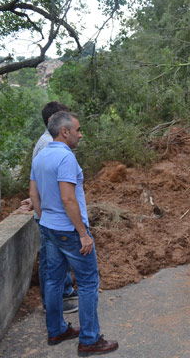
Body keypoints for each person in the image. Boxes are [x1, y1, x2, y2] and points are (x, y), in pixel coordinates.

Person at [30, 111, 118, 356]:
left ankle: (56, 330)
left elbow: (34, 195)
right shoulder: (66, 158)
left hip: (49, 227)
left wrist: (46, 219)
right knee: (89, 282)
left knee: (54, 280)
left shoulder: (40, 157)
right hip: (69, 230)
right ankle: (89, 339)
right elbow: (68, 199)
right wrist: (83, 233)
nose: (81, 135)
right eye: (78, 130)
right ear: (64, 132)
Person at [22, 101, 79, 314]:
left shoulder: (48, 143)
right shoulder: (50, 146)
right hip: (52, 215)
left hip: (48, 214)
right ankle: (56, 302)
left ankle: (64, 293)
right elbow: (62, 193)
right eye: (64, 117)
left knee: (56, 259)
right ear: (52, 122)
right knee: (50, 261)